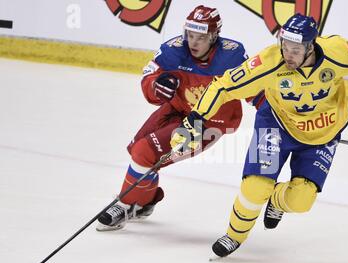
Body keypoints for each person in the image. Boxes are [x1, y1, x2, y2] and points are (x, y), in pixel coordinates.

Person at [170, 13, 348, 256]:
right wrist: (195, 119)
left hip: (324, 134)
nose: (288, 55)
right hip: (275, 125)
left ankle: (277, 201)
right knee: (256, 188)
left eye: (295, 50)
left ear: (311, 47)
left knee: (302, 201)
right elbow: (223, 86)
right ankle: (234, 235)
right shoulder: (269, 62)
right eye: (284, 46)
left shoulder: (338, 53)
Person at [96, 5, 250, 231]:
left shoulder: (232, 56)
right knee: (138, 152)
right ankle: (145, 202)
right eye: (190, 34)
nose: (193, 42)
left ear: (214, 36)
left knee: (144, 153)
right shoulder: (174, 50)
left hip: (205, 124)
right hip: (176, 109)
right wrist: (156, 86)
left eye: (200, 37)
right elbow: (149, 75)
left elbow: (255, 87)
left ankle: (126, 204)